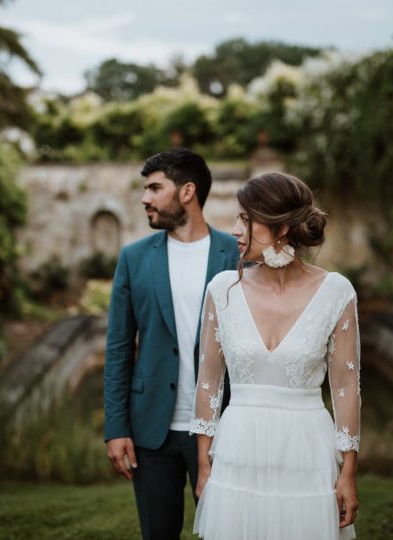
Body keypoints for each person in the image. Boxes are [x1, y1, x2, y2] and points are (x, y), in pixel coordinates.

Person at [190, 172, 361, 540]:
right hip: (238, 447)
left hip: (306, 449)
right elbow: (208, 382)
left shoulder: (336, 292)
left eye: (245, 219)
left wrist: (348, 472)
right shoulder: (222, 290)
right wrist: (204, 462)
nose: (235, 229)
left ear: (281, 228)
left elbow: (346, 388)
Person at [103, 148, 240, 540]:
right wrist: (116, 427)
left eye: (154, 188)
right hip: (150, 431)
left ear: (187, 192)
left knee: (224, 533)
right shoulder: (133, 258)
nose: (145, 198)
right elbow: (117, 348)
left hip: (221, 427)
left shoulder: (235, 254)